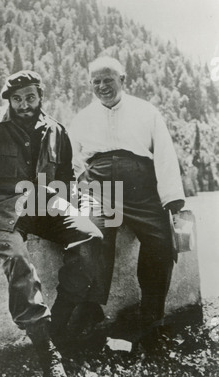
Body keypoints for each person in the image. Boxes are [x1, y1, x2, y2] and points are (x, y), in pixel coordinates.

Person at [0, 70, 104, 377]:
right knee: (20, 262)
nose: (24, 104)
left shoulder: (56, 131)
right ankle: (49, 356)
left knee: (90, 236)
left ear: (41, 96)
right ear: (8, 101)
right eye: (17, 99)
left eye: (30, 97)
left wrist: (69, 213)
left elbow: (64, 176)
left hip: (42, 202)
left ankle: (59, 324)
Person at [69, 57, 186, 350]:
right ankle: (92, 307)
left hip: (142, 190)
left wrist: (172, 202)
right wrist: (81, 178)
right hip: (99, 190)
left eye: (108, 80)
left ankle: (151, 319)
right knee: (91, 231)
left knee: (160, 242)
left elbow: (164, 156)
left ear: (123, 79)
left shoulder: (146, 112)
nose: (102, 86)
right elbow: (70, 157)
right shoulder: (83, 117)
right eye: (96, 81)